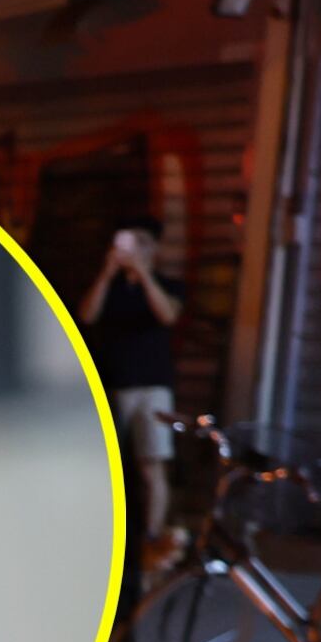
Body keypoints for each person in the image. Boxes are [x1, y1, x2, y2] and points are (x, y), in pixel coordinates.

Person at [82, 213, 185, 571]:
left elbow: (168, 315)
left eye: (139, 244)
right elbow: (87, 314)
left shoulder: (167, 285)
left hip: (154, 387)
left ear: (153, 249)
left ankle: (152, 536)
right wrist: (109, 273)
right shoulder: (110, 288)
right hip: (115, 386)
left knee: (151, 464)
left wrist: (143, 274)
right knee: (112, 468)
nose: (130, 250)